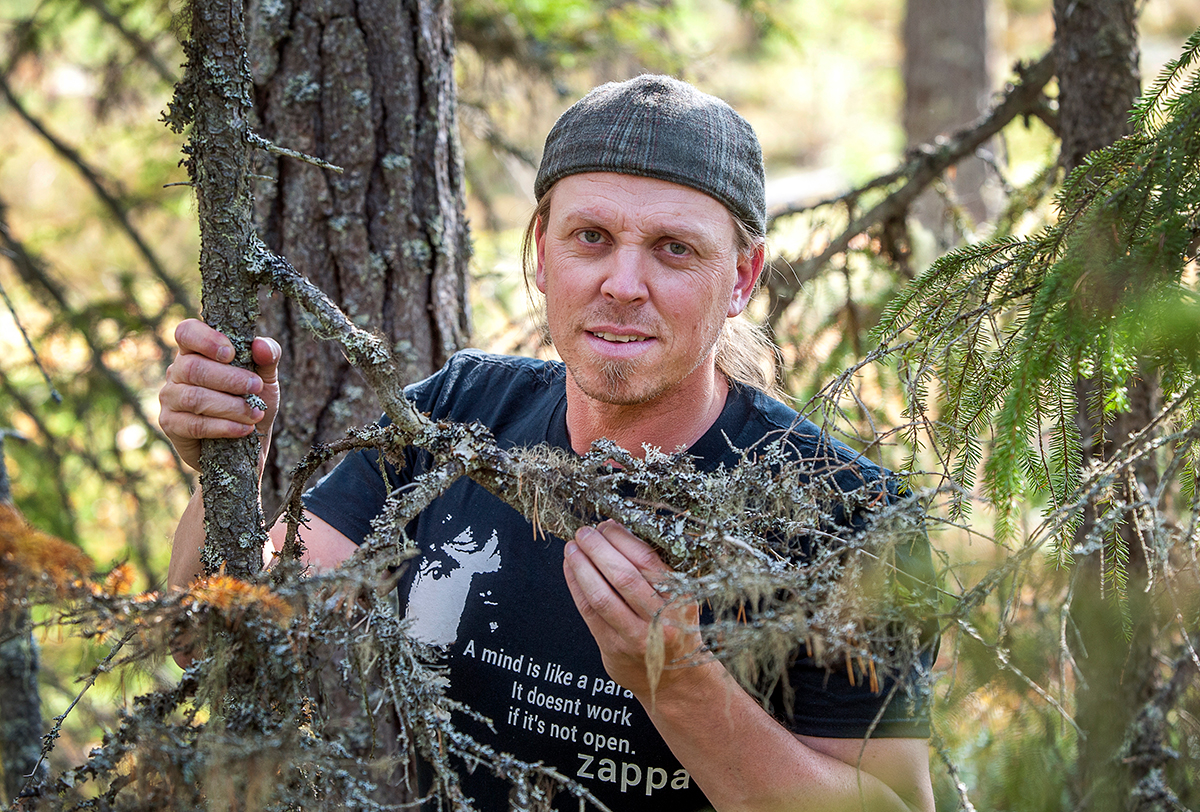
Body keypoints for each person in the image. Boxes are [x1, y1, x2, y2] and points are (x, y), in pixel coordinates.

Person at [160, 75, 936, 812]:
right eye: (591, 237)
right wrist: (224, 472)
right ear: (541, 251)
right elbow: (223, 644)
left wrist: (681, 682)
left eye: (674, 248)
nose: (624, 283)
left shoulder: (850, 516)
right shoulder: (459, 415)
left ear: (741, 278)